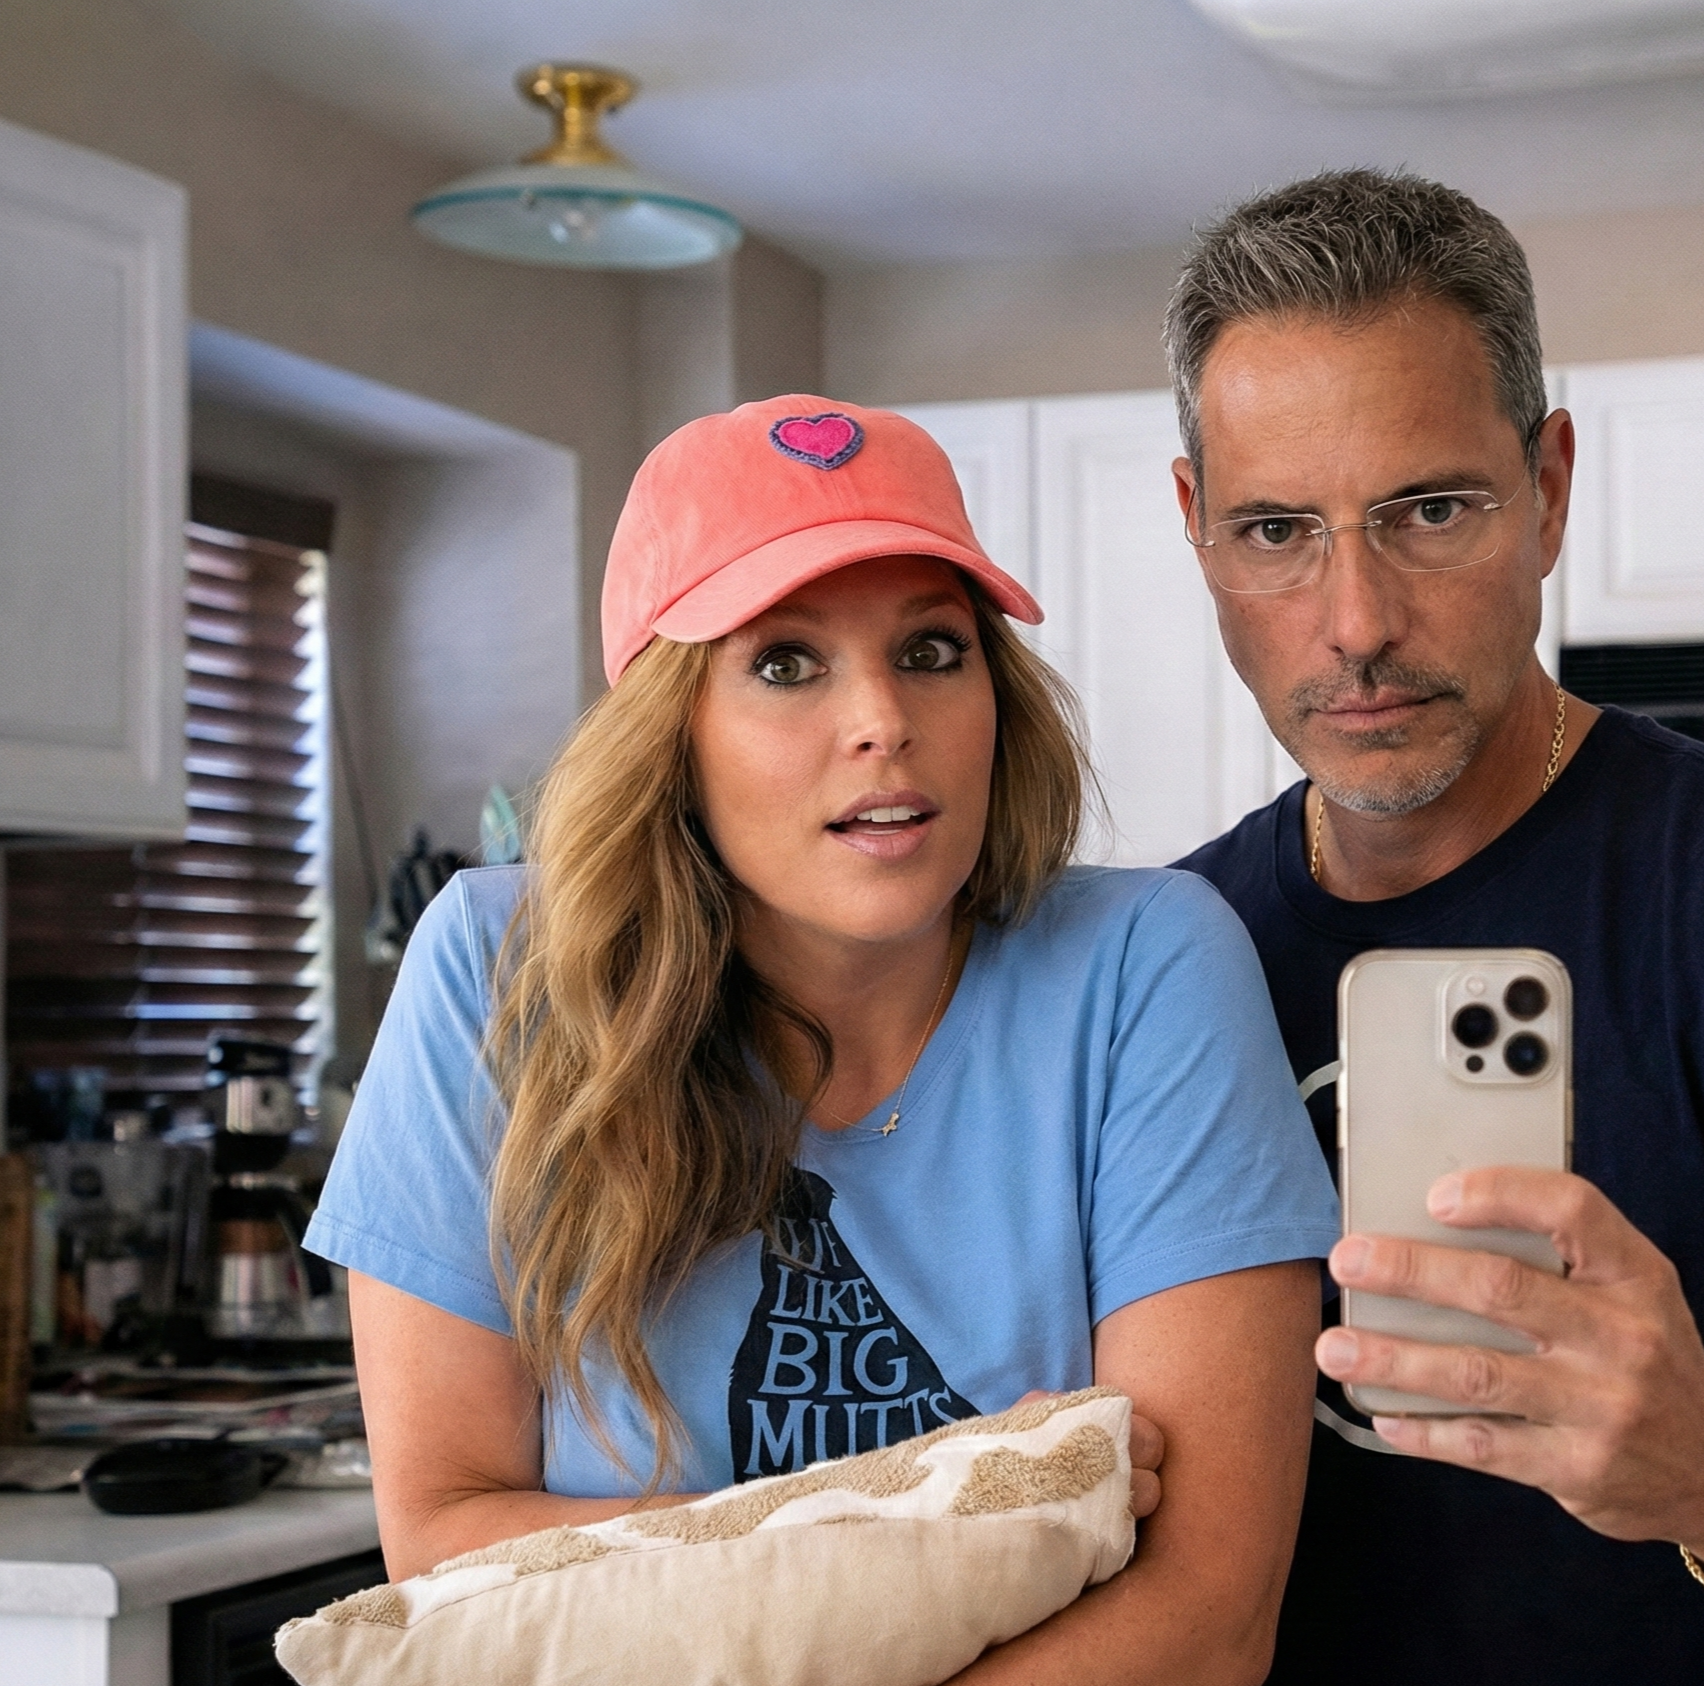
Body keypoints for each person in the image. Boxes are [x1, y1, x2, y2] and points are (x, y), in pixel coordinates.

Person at [305, 396, 1339, 1685]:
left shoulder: (1148, 966)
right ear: (669, 735)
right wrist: (946, 1508)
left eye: (932, 649)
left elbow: (1203, 1624)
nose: (883, 721)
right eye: (785, 662)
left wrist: (690, 1573)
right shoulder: (497, 972)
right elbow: (453, 1553)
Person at [1166, 171, 1704, 1684]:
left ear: (1551, 488)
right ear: (1197, 530)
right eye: (1275, 531)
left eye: (1429, 510)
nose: (1356, 617)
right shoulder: (1174, 957)